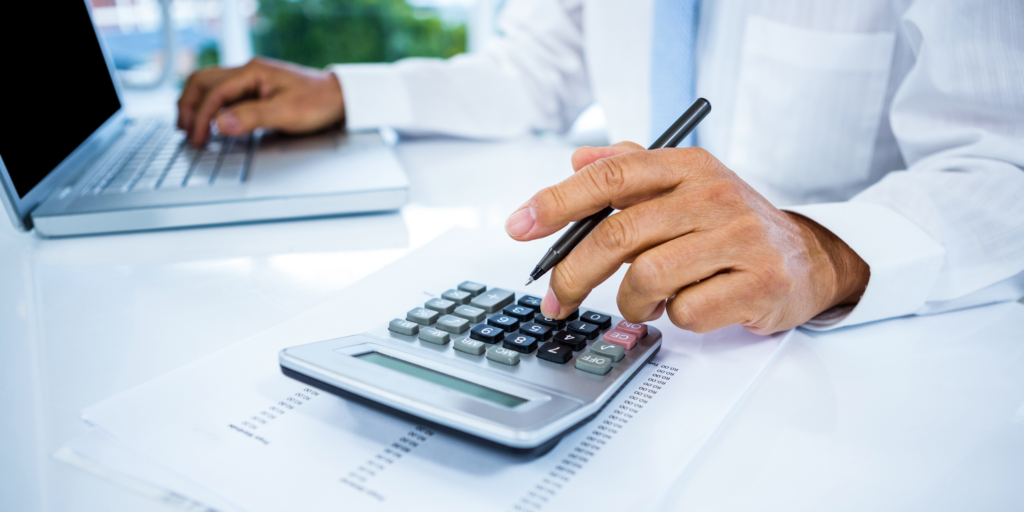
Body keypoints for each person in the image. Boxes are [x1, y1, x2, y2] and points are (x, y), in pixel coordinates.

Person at [177, 0, 1024, 334]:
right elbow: (531, 70)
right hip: (641, 329)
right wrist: (343, 91)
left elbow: (1004, 159)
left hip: (847, 362)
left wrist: (824, 250)